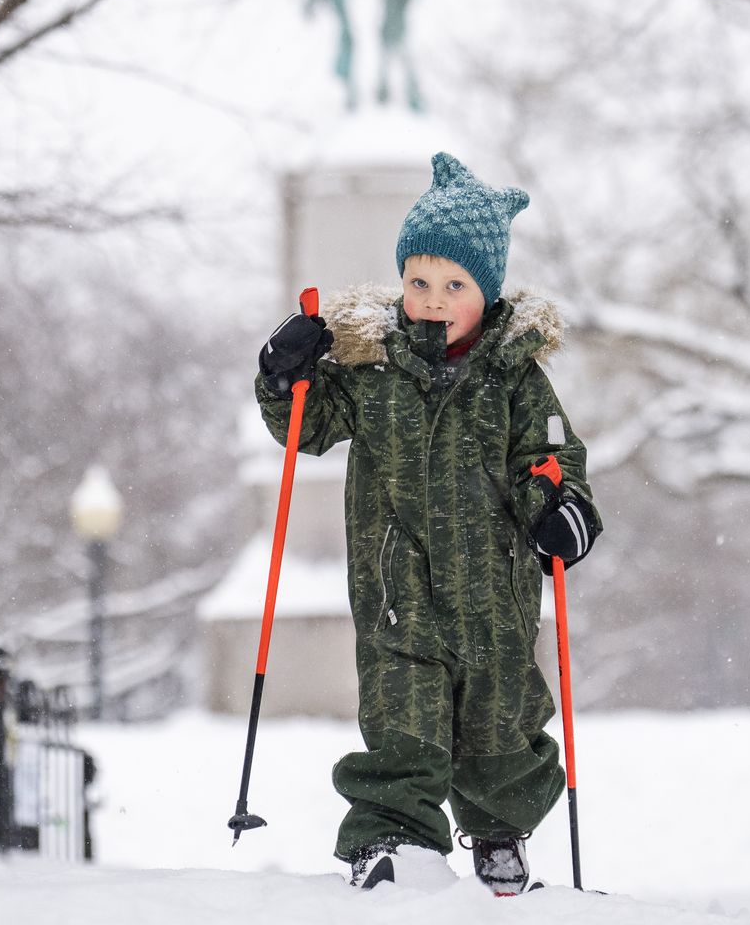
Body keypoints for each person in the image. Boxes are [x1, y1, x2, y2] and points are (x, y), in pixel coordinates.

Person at [254, 152, 602, 893]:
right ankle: (393, 837)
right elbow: (305, 429)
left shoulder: (515, 377)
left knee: (500, 722)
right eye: (419, 282)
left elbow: (550, 455)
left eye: (455, 285)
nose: (434, 299)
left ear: (489, 291)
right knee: (401, 721)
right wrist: (286, 376)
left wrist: (562, 506)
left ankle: (500, 831)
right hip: (396, 589)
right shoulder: (370, 370)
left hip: (493, 594)